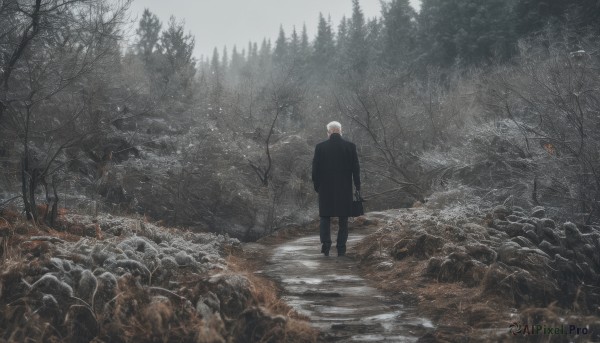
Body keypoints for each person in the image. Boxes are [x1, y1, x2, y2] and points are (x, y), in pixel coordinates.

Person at [311, 121, 361, 257]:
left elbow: (315, 170)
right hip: (344, 188)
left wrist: (317, 185)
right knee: (343, 219)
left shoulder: (320, 147)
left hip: (325, 188)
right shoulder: (350, 147)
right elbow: (356, 169)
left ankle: (326, 246)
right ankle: (341, 248)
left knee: (325, 218)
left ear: (329, 133)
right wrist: (357, 186)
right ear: (341, 131)